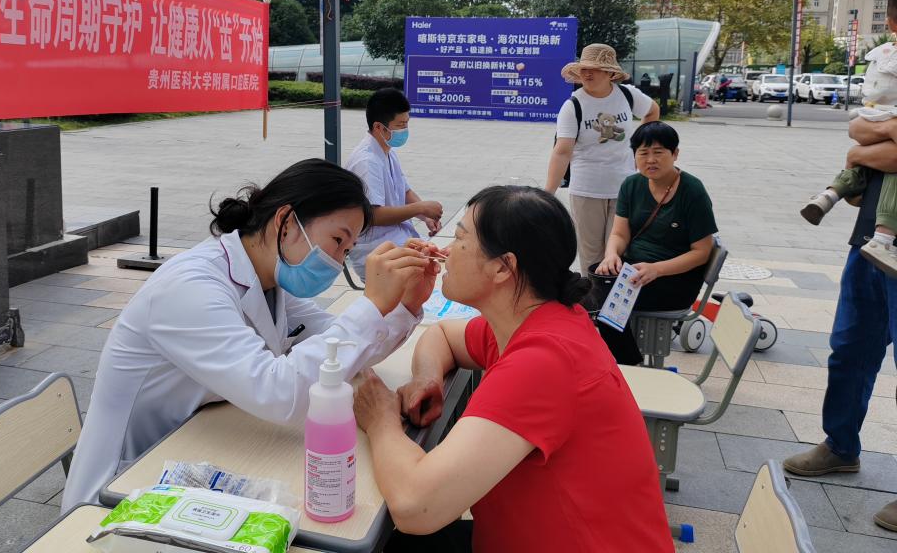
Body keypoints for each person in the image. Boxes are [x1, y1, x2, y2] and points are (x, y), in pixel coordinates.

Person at [61, 158, 440, 510]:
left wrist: (404, 305)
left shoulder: (269, 281)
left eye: (348, 248)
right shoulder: (191, 287)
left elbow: (338, 348)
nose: (338, 260)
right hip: (118, 490)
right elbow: (279, 393)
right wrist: (371, 305)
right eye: (338, 241)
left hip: (193, 452)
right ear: (286, 222)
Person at [353, 186, 673, 553]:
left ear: (503, 267)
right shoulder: (541, 320)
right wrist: (427, 378)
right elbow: (442, 336)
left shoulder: (543, 362)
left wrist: (380, 419)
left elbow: (415, 507)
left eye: (460, 239)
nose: (447, 250)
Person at [784, 0, 897, 533]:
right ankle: (840, 445)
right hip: (868, 240)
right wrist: (867, 143)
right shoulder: (888, 70)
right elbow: (858, 130)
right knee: (850, 348)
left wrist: (866, 144)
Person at [596, 122, 718, 365]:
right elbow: (619, 234)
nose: (650, 159)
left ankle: (630, 367)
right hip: (635, 272)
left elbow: (702, 252)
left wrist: (657, 269)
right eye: (643, 153)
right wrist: (611, 255)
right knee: (587, 293)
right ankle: (625, 364)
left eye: (659, 152)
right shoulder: (631, 185)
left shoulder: (692, 191)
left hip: (675, 279)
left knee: (605, 307)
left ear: (675, 154)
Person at [800, 0, 897, 277]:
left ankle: (830, 195)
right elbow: (857, 130)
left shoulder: (884, 58)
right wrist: (882, 132)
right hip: (869, 235)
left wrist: (857, 155)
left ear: (889, 22)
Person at [544, 43, 659, 273]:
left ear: (610, 73)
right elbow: (562, 151)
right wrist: (547, 194)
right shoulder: (573, 105)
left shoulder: (627, 95)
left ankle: (614, 297)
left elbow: (652, 111)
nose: (587, 74)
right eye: (584, 68)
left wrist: (640, 149)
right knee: (592, 257)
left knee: (618, 254)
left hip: (624, 188)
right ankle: (593, 296)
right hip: (587, 190)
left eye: (595, 69)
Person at [345, 87, 443, 278]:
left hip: (395, 238)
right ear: (379, 127)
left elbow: (405, 191)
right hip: (375, 249)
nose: (404, 130)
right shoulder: (366, 161)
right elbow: (374, 215)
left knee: (437, 260)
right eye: (400, 125)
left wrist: (426, 217)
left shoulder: (387, 151)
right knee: (428, 269)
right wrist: (420, 208)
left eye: (407, 123)